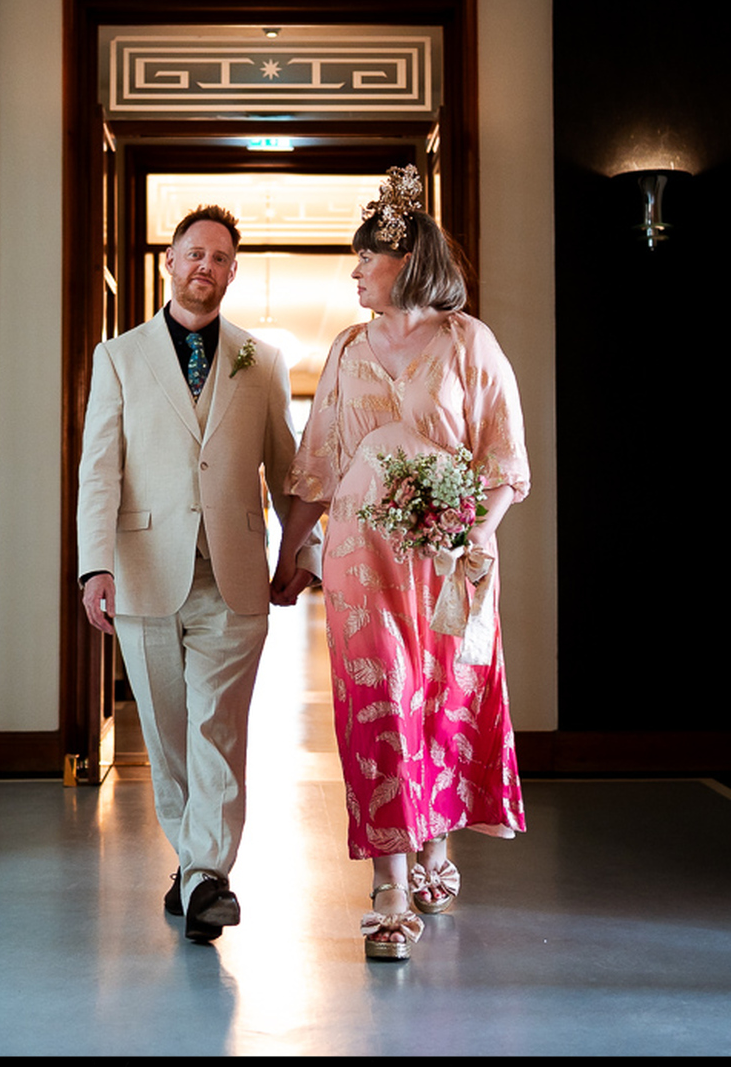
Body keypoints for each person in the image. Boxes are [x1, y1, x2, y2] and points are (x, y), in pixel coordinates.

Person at [270, 165, 530, 963]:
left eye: (364, 261)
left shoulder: (468, 344)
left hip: (448, 564)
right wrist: (292, 555)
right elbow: (316, 465)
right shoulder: (346, 350)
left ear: (406, 262)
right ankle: (388, 887)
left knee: (442, 701)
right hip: (359, 559)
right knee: (378, 700)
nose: (353, 273)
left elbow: (506, 464)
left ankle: (436, 849)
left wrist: (471, 535)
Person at [76, 204, 322, 944]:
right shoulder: (118, 357)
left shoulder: (263, 360)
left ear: (232, 272)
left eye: (219, 258)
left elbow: (291, 469)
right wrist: (94, 568)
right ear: (170, 264)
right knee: (170, 734)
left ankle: (209, 877)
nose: (205, 267)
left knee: (218, 729)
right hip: (144, 569)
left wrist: (300, 554)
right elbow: (99, 474)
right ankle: (194, 871)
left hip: (237, 574)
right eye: (194, 254)